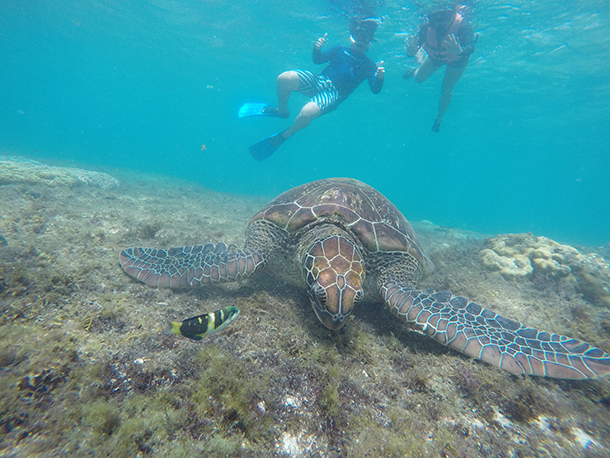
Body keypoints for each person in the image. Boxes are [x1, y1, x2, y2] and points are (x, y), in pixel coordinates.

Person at [239, 17, 385, 160]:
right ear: (351, 36)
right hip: (318, 81)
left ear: (370, 42)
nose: (361, 40)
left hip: (333, 95)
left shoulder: (370, 65)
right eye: (358, 36)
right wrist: (317, 48)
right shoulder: (339, 49)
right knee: (284, 78)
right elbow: (318, 60)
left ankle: (284, 136)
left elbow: (376, 89)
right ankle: (281, 111)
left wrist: (379, 77)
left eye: (366, 38)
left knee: (306, 113)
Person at [403, 7, 476, 132]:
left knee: (446, 89)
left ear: (452, 13)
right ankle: (415, 70)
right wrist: (410, 53)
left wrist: (461, 51)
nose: (440, 21)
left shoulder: (463, 24)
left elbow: (471, 46)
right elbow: (415, 45)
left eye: (445, 15)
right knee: (418, 79)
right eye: (436, 16)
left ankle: (438, 120)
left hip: (457, 59)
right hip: (436, 56)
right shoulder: (426, 26)